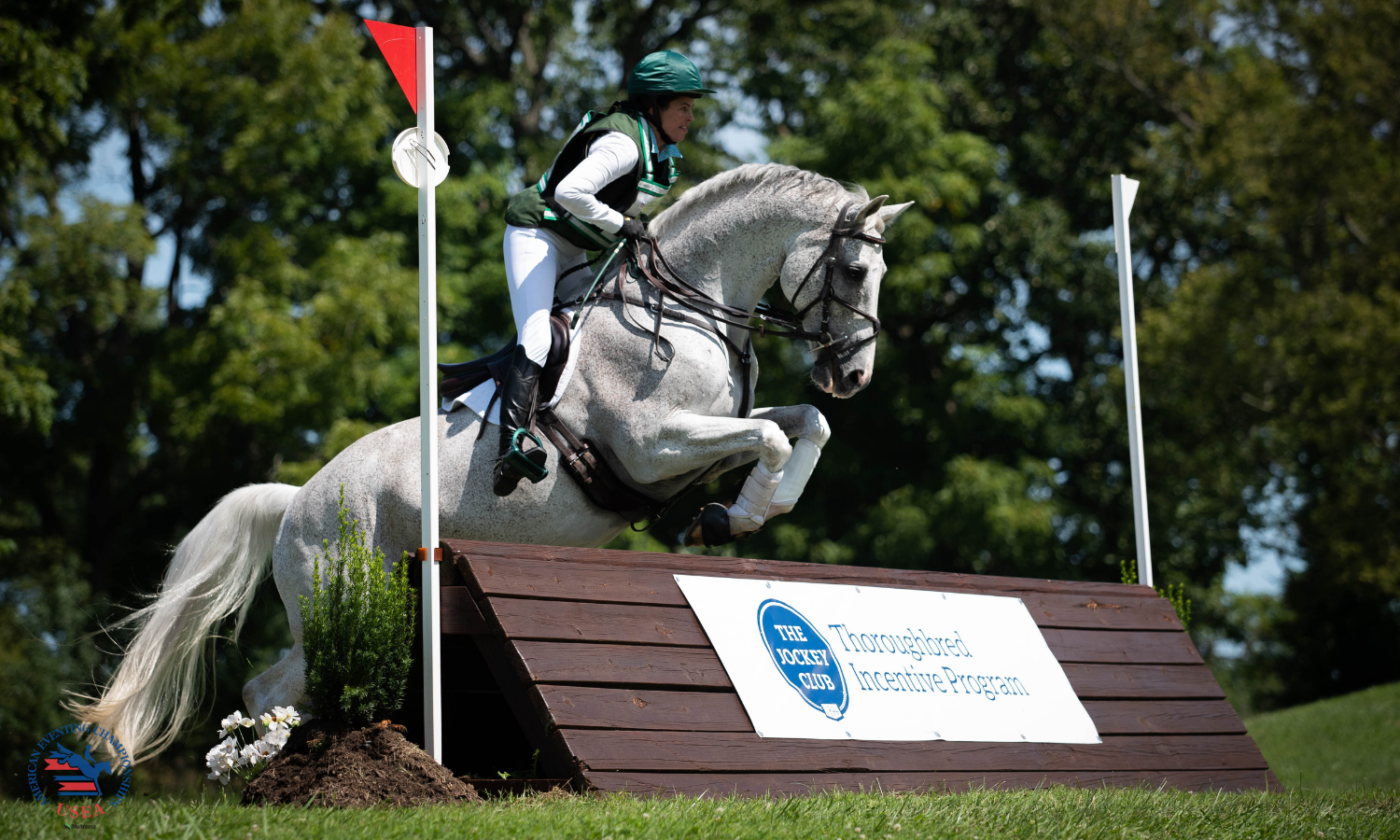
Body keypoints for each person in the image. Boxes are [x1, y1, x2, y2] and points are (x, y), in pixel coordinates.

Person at [490, 50, 715, 496]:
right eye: (683, 107)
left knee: (599, 328)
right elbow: (570, 192)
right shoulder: (625, 143)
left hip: (575, 250)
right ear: (654, 106)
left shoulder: (658, 151)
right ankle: (509, 446)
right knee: (537, 334)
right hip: (537, 237)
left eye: (692, 107)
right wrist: (623, 226)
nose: (691, 118)